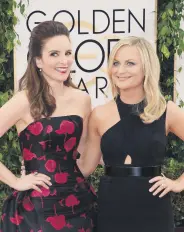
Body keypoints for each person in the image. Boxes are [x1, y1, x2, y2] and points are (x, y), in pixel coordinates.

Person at [77, 36, 184, 232]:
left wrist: (179, 183)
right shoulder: (100, 114)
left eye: (130, 63)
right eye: (116, 63)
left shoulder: (166, 110)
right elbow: (85, 167)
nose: (120, 70)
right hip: (112, 208)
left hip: (154, 207)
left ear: (147, 68)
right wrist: (45, 168)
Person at [0, 21, 96, 232]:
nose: (64, 61)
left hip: (79, 204)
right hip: (38, 208)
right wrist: (15, 181)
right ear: (38, 60)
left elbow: (83, 155)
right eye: (54, 54)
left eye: (68, 53)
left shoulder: (83, 100)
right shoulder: (24, 101)